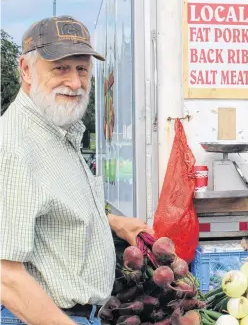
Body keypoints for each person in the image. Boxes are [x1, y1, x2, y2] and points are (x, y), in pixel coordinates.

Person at [0, 16, 153, 325]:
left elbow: (48, 207)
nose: (74, 82)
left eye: (82, 69)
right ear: (26, 70)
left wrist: (113, 222)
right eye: (60, 68)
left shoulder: (56, 129)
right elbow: (5, 275)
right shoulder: (14, 146)